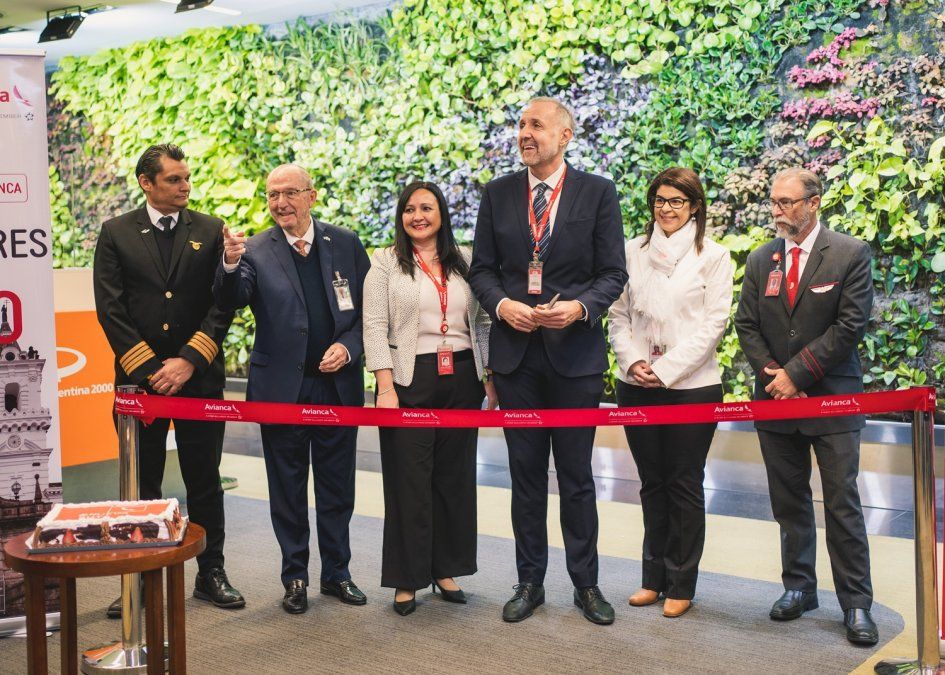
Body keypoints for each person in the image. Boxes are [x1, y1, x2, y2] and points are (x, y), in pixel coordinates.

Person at [468, 97, 628, 625]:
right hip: (516, 361)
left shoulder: (598, 193)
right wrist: (502, 304)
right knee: (525, 477)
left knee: (578, 478)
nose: (524, 134)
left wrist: (581, 307)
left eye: (536, 125)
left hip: (575, 360)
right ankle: (529, 582)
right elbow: (483, 271)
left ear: (565, 135)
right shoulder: (497, 195)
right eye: (520, 125)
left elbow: (612, 273)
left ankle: (586, 585)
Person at [93, 143, 244, 616]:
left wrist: (187, 363)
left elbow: (223, 305)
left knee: (205, 482)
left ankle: (211, 573)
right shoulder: (116, 233)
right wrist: (150, 371)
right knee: (142, 485)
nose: (185, 187)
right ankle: (137, 576)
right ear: (146, 183)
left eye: (186, 178)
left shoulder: (209, 228)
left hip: (197, 381)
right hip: (140, 387)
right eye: (174, 180)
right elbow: (110, 310)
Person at [213, 164, 370, 615]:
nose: (280, 203)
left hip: (337, 388)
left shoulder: (344, 243)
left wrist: (349, 346)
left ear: (312, 196)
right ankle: (295, 576)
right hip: (282, 389)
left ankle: (337, 573)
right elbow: (231, 298)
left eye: (289, 194)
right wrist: (228, 262)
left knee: (337, 487)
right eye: (272, 195)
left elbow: (366, 313)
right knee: (288, 488)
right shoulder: (254, 250)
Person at [734, 167, 877, 645]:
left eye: (787, 202)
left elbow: (850, 325)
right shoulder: (761, 259)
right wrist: (774, 375)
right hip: (775, 404)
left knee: (842, 505)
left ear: (814, 202)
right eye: (774, 202)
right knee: (789, 504)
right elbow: (747, 325)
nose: (778, 211)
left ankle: (856, 604)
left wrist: (797, 373)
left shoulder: (850, 254)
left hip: (832, 400)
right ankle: (798, 588)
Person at [362, 181, 497, 616]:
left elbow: (482, 324)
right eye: (409, 209)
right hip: (408, 380)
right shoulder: (385, 262)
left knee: (454, 478)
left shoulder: (467, 262)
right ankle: (407, 578)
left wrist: (488, 377)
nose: (417, 216)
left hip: (461, 377)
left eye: (427, 207)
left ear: (442, 214)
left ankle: (445, 569)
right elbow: (373, 326)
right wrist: (385, 388)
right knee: (409, 481)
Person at [608, 167, 733, 618]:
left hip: (691, 388)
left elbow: (712, 326)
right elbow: (618, 316)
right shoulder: (632, 252)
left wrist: (666, 370)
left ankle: (681, 583)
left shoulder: (714, 257)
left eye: (676, 201)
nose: (666, 209)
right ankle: (651, 579)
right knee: (651, 483)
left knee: (683, 484)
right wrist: (634, 362)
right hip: (636, 383)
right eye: (660, 200)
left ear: (695, 206)